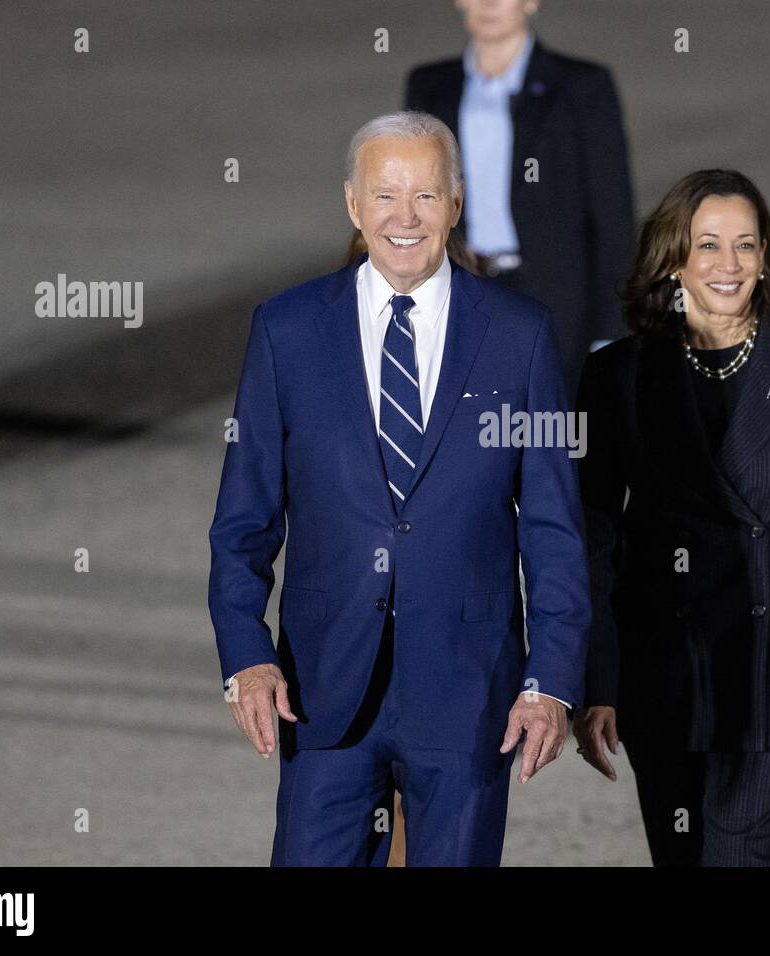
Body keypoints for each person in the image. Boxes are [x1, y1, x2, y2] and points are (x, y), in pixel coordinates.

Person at [208, 110, 590, 865]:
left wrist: (551, 680)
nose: (404, 218)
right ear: (354, 206)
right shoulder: (286, 331)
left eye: (425, 196)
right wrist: (246, 656)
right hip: (322, 691)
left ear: (456, 203)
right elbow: (242, 523)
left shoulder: (522, 336)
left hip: (468, 692)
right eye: (385, 196)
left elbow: (554, 528)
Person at [572, 170, 770, 866]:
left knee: (735, 840)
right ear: (673, 257)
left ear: (765, 254)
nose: (728, 264)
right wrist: (596, 682)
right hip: (664, 662)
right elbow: (594, 536)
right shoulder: (619, 376)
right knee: (682, 849)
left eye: (745, 245)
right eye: (709, 245)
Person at [405, 0, 636, 391]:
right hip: (460, 287)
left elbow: (613, 216)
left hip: (554, 297)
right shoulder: (430, 86)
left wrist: (610, 331)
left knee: (550, 434)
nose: (490, 4)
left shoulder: (581, 86)